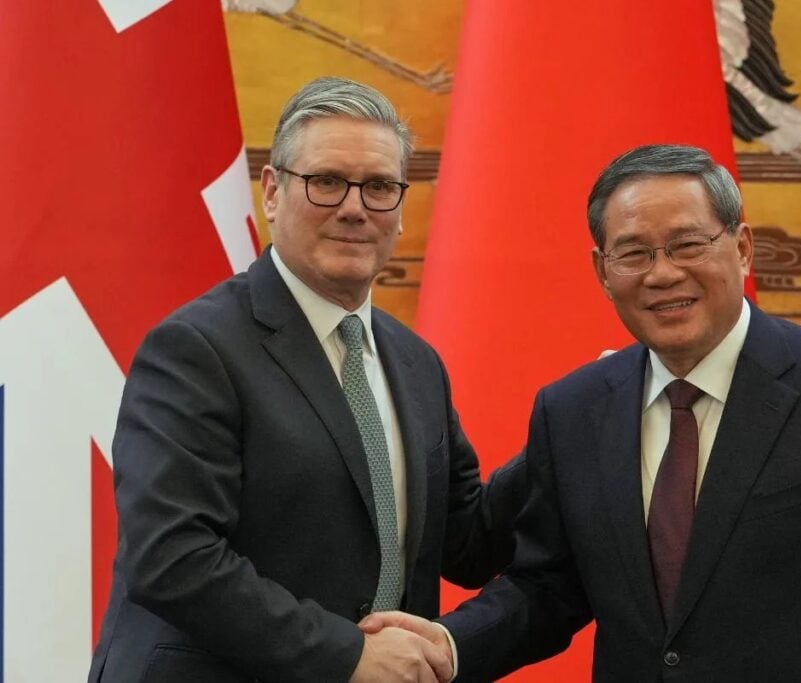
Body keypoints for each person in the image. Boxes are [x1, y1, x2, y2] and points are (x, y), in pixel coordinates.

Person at [364, 144, 801, 681]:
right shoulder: (573, 409)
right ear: (603, 272)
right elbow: (550, 587)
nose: (663, 273)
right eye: (634, 254)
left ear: (742, 247)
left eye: (687, 244)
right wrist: (447, 645)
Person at [88, 77, 525, 683]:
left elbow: (469, 545)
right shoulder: (196, 348)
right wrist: (346, 655)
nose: (354, 207)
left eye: (378, 187)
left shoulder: (417, 362)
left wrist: (572, 422)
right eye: (326, 182)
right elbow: (171, 557)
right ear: (272, 191)